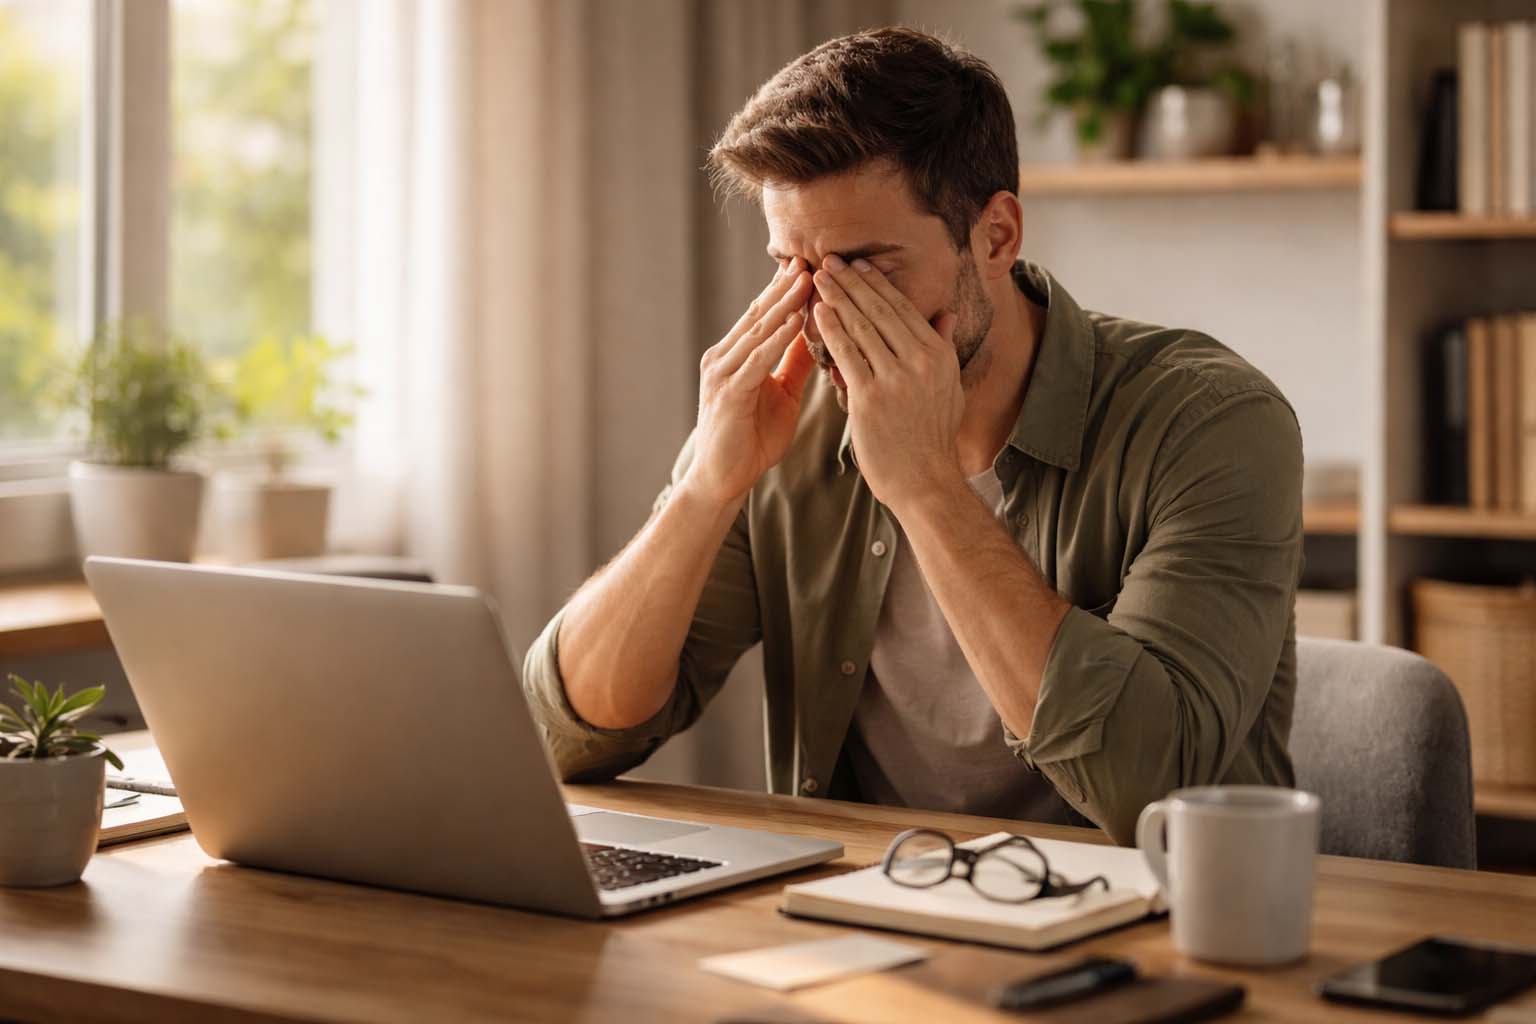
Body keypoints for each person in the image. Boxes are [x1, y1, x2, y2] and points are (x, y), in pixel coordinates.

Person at [523, 27, 1302, 845]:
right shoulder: (792, 422)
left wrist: (928, 488)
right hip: (860, 915)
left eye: (866, 267)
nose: (822, 317)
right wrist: (703, 490)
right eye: (793, 269)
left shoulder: (1211, 420)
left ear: (997, 237)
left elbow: (1156, 783)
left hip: (1139, 930)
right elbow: (570, 734)